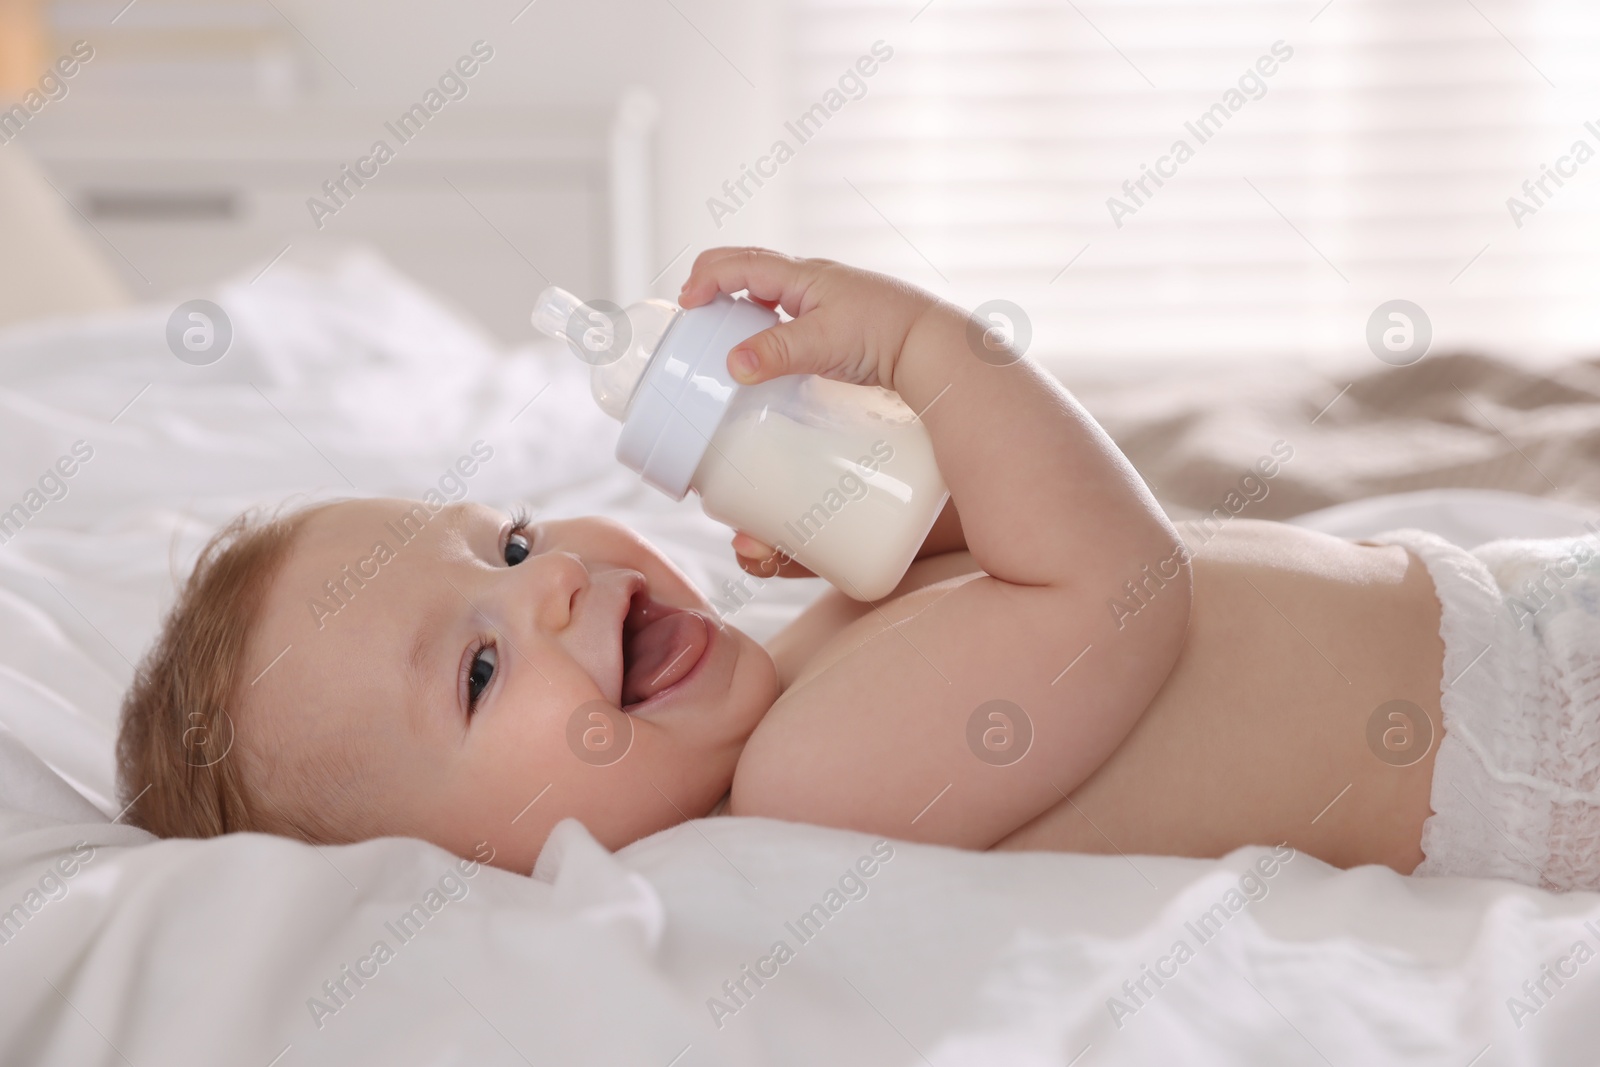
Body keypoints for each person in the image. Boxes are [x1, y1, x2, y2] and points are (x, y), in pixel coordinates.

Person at [117, 247, 1600, 892]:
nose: (552, 582)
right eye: (482, 666)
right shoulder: (811, 783)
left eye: (507, 542)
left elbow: (1021, 603)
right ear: (469, 869)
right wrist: (923, 346)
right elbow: (1113, 590)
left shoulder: (807, 679)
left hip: (1504, 629)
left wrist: (920, 527)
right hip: (1534, 738)